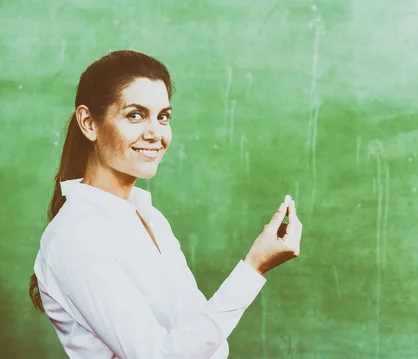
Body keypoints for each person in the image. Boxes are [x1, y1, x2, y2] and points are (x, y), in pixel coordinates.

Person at [28, 50, 303, 359]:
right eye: (135, 115)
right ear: (89, 122)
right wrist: (254, 268)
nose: (155, 133)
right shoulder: (75, 236)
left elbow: (200, 337)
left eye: (163, 117)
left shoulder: (147, 215)